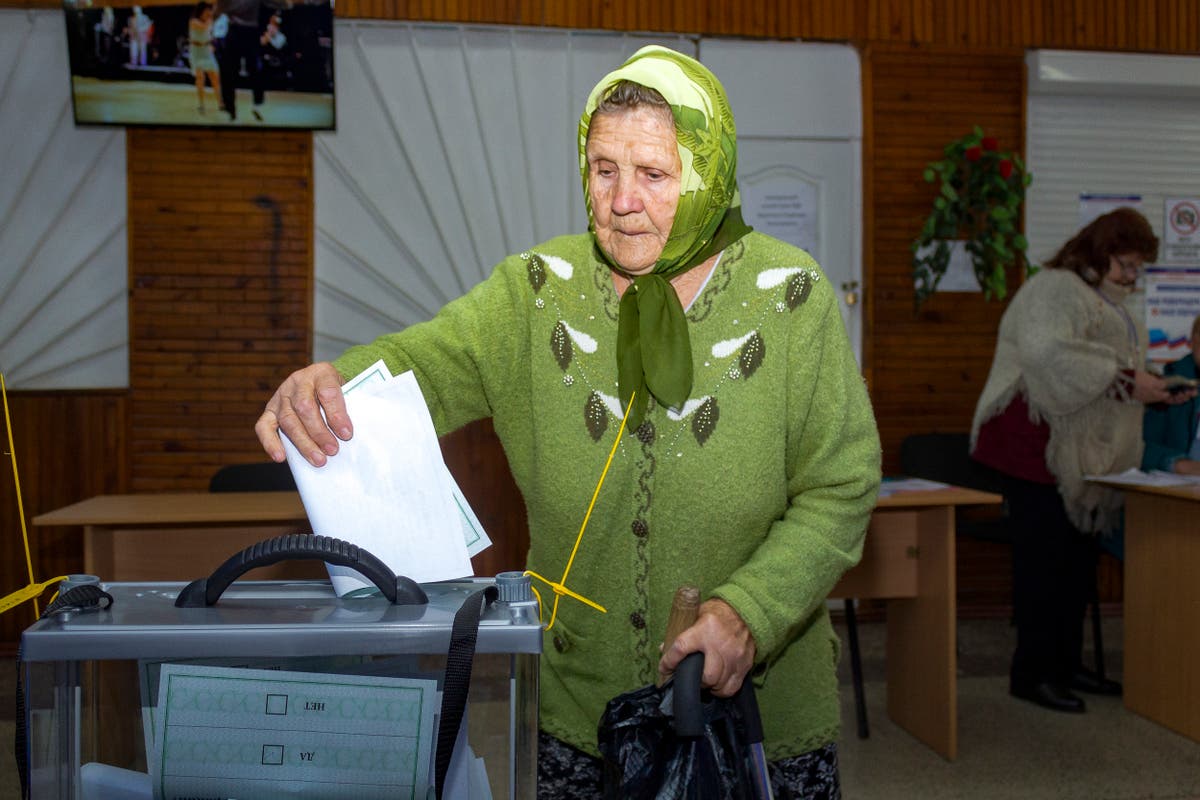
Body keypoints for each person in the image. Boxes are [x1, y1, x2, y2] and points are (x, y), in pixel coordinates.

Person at [256, 46, 880, 798]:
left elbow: (841, 486)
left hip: (758, 720)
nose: (622, 200)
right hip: (578, 712)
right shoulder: (534, 291)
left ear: (708, 170)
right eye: (603, 168)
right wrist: (329, 382)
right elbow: (418, 365)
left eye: (654, 174)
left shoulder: (793, 296)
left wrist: (749, 612)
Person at [970, 207, 1195, 714]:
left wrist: (1157, 386)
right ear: (1099, 252)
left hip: (1076, 452)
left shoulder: (1108, 302)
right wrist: (1128, 379)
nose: (1133, 277)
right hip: (1034, 445)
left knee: (1075, 564)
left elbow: (1121, 368)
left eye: (1139, 268)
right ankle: (1031, 673)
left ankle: (1067, 665)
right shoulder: (1053, 287)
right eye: (1127, 265)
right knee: (1042, 564)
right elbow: (1050, 354)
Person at [1142, 313, 1200, 475]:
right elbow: (1139, 448)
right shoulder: (1169, 387)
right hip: (1181, 491)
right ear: (1193, 341)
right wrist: (1177, 463)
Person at [214, 0, 270, 121]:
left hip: (250, 31)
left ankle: (258, 104)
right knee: (229, 70)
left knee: (255, 69)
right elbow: (219, 9)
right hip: (236, 30)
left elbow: (281, 4)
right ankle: (230, 108)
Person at [188, 2, 222, 115]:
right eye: (207, 11)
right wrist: (213, 17)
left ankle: (221, 103)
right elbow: (204, 27)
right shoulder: (193, 21)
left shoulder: (209, 21)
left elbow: (210, 35)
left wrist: (212, 45)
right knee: (200, 78)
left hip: (206, 51)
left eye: (209, 11)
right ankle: (201, 105)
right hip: (196, 52)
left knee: (215, 78)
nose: (208, 13)